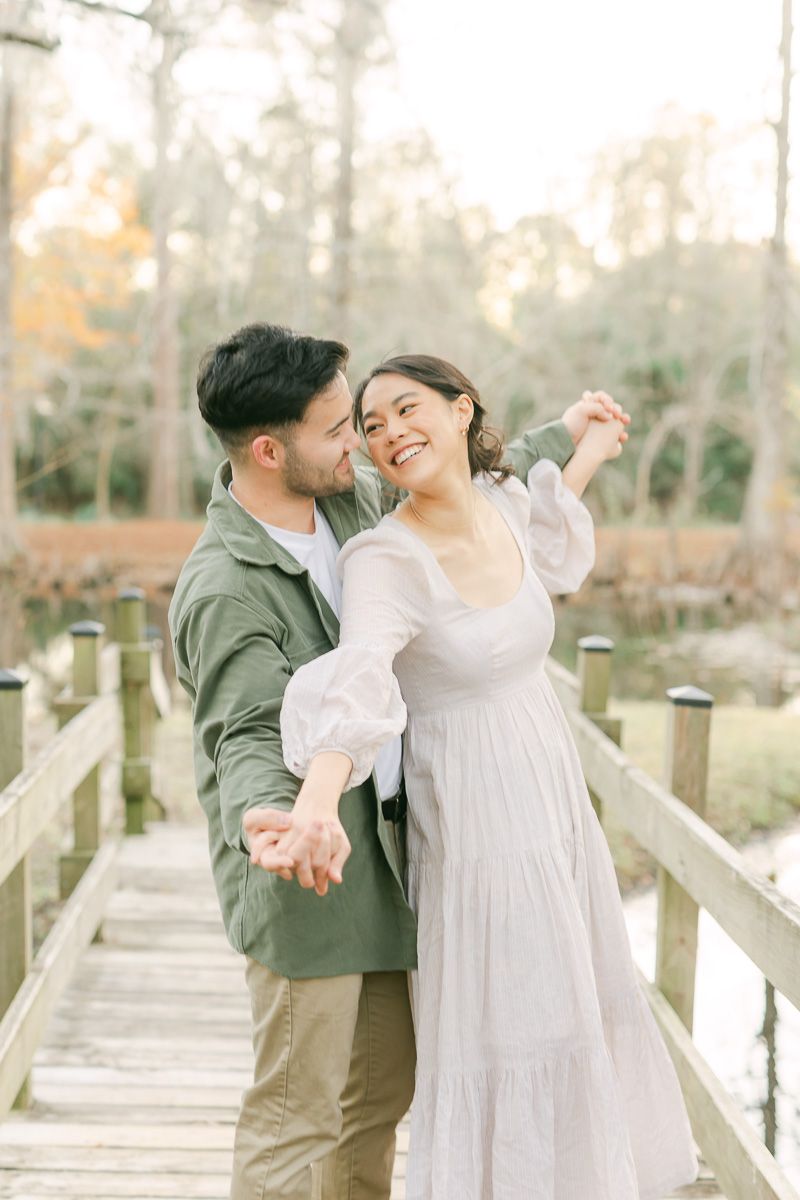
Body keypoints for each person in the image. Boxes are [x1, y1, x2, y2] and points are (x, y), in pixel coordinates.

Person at [168, 323, 627, 1200]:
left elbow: (463, 475)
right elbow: (248, 731)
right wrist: (277, 817)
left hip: (389, 861)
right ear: (270, 451)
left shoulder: (344, 496)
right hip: (306, 870)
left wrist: (568, 431)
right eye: (341, 428)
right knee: (297, 1118)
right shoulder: (224, 586)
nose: (362, 443)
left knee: (377, 1097)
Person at [273, 354, 699, 1200]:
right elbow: (360, 680)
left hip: (553, 804)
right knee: (509, 1026)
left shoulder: (505, 502)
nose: (390, 433)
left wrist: (590, 441)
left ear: (461, 410)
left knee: (572, 1005)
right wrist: (315, 802)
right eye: (372, 425)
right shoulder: (383, 559)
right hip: (473, 827)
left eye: (407, 409)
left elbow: (548, 538)